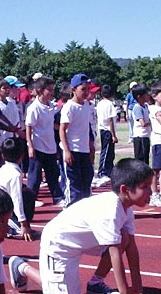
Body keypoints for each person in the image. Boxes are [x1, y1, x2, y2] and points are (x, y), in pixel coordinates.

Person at [7, 158, 152, 294]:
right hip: (59, 244)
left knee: (124, 237)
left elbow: (131, 247)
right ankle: (21, 266)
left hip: (83, 240)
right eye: (145, 187)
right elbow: (114, 252)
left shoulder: (126, 207)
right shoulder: (110, 210)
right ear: (125, 189)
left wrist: (137, 285)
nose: (150, 192)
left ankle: (96, 283)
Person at [25, 76, 64, 206]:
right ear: (40, 91)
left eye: (53, 89)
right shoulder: (34, 108)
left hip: (50, 146)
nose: (52, 92)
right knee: (35, 177)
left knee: (53, 174)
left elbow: (50, 124)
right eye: (49, 89)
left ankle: (58, 198)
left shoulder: (50, 106)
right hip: (38, 146)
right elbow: (29, 127)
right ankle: (30, 199)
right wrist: (30, 146)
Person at [59, 73, 95, 206]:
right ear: (73, 90)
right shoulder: (69, 107)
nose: (86, 92)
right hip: (73, 150)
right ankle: (68, 210)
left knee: (86, 182)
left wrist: (91, 147)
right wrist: (67, 151)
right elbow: (62, 130)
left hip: (84, 150)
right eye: (83, 89)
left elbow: (87, 128)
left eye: (88, 89)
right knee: (74, 185)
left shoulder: (87, 106)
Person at [0, 138, 36, 241]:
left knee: (27, 192)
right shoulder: (15, 175)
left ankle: (9, 224)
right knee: (27, 196)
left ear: (2, 155)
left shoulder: (3, 168)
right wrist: (23, 224)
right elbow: (17, 200)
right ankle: (10, 227)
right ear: (21, 156)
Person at [95, 84, 118, 186]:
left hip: (102, 129)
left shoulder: (100, 103)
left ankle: (109, 170)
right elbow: (110, 120)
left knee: (109, 152)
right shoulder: (109, 104)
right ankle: (102, 172)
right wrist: (113, 135)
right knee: (106, 151)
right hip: (107, 130)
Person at [130, 84, 151, 164]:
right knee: (141, 161)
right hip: (140, 137)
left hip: (145, 136)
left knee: (146, 158)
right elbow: (143, 123)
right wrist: (152, 122)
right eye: (146, 94)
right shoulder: (138, 107)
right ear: (139, 96)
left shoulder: (145, 106)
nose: (148, 95)